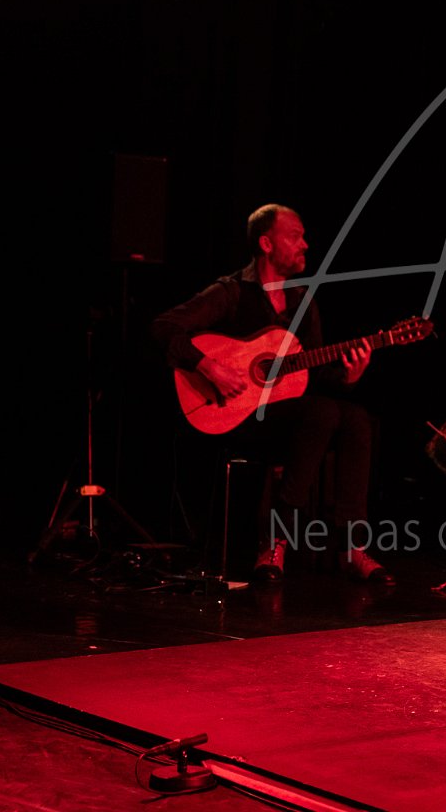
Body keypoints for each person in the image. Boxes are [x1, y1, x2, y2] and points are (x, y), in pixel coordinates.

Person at [151, 203, 392, 585]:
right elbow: (164, 326)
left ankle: (352, 547)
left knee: (356, 419)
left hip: (291, 422)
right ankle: (275, 541)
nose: (305, 244)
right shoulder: (231, 292)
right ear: (266, 243)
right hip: (237, 417)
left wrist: (349, 376)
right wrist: (209, 366)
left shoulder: (302, 303)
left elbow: (313, 377)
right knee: (323, 414)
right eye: (295, 236)